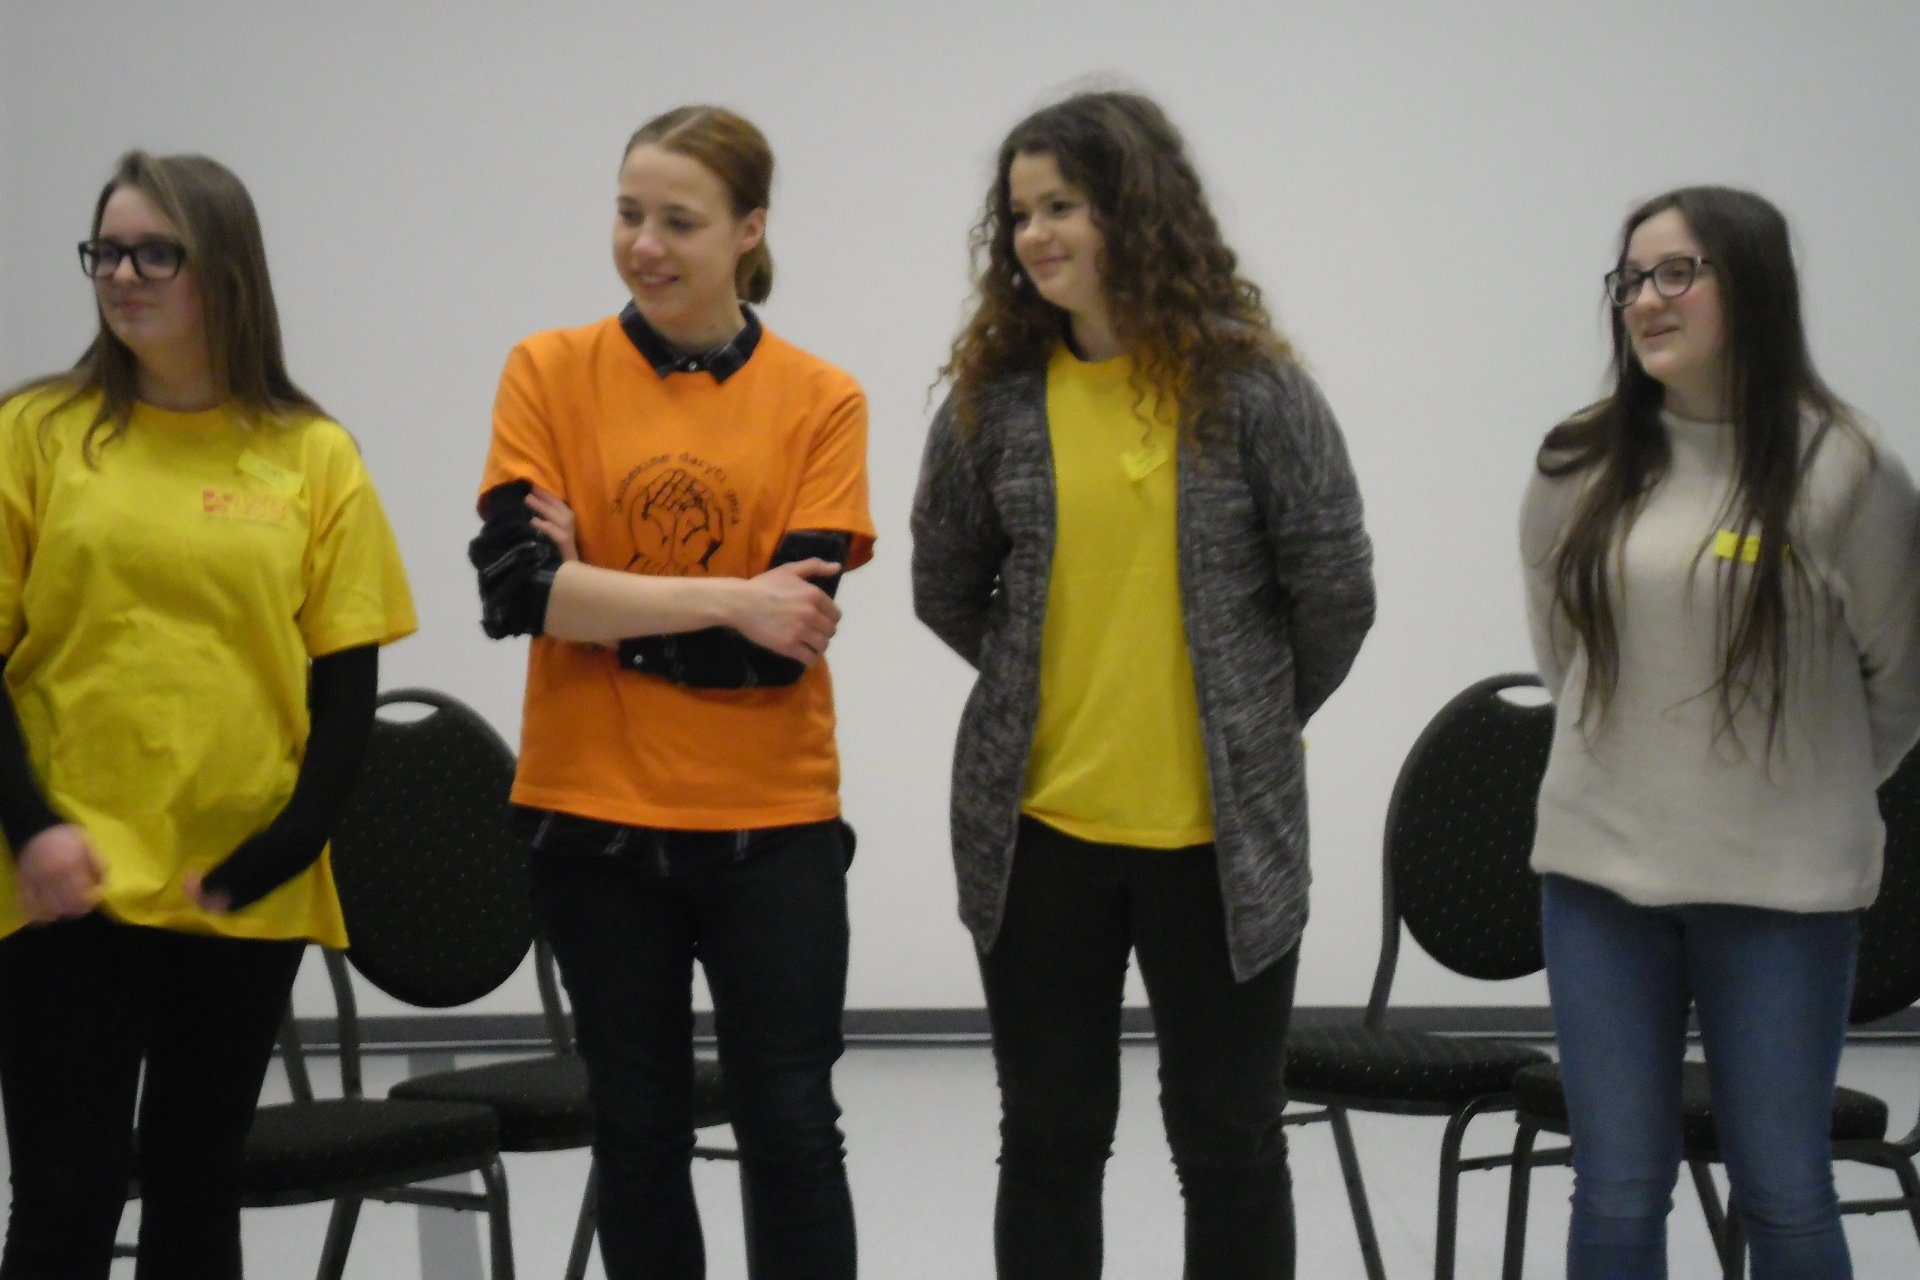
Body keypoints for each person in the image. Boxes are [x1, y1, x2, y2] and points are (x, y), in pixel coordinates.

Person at [910, 90, 1374, 1279]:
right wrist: (1033, 685)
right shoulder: (995, 396)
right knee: (1050, 1137)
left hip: (1219, 844)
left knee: (1228, 1143)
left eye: (1061, 205)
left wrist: (1249, 716)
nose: (1035, 235)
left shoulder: (1254, 389)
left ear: (1136, 208)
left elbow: (1334, 594)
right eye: (1020, 213)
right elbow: (944, 581)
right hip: (1039, 835)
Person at [472, 104, 871, 1279]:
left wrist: (598, 590)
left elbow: (777, 648)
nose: (644, 244)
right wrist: (727, 595)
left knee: (791, 1126)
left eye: (679, 221)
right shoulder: (547, 370)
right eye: (628, 213)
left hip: (773, 825)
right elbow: (514, 591)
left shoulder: (822, 398)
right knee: (636, 1132)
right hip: (591, 820)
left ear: (749, 230)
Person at [0, 151, 416, 1279]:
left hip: (240, 875)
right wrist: (31, 825)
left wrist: (287, 847)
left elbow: (346, 688)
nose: (121, 275)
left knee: (197, 1192)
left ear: (224, 271)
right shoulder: (36, 431)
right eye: (106, 252)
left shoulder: (311, 453)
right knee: (65, 1198)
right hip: (68, 874)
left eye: (154, 254)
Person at [1521, 185, 1920, 1280]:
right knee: (1615, 1184)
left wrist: (1799, 791)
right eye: (1630, 279)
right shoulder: (1577, 460)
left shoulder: (1847, 469)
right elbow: (1566, 661)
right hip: (1599, 878)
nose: (1646, 300)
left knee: (1784, 1186)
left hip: (1783, 891)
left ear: (1754, 285)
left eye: (1676, 273)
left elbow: (1899, 685)